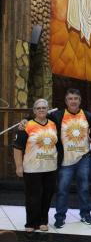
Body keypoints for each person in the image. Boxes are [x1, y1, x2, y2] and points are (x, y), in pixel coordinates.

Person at [51, 89, 91, 228]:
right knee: (62, 189)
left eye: (76, 98)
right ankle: (60, 216)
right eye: (70, 98)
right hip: (66, 161)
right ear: (66, 101)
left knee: (84, 188)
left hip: (84, 158)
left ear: (80, 100)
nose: (73, 101)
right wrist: (25, 120)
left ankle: (85, 214)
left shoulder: (87, 115)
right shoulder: (57, 116)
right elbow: (40, 118)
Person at [13, 99, 58, 232]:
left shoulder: (53, 124)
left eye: (44, 108)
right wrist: (19, 166)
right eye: (38, 108)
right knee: (33, 197)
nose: (41, 110)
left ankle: (43, 221)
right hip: (32, 168)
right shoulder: (26, 126)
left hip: (50, 167)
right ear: (34, 111)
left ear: (47, 109)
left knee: (47, 195)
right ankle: (31, 223)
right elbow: (17, 147)